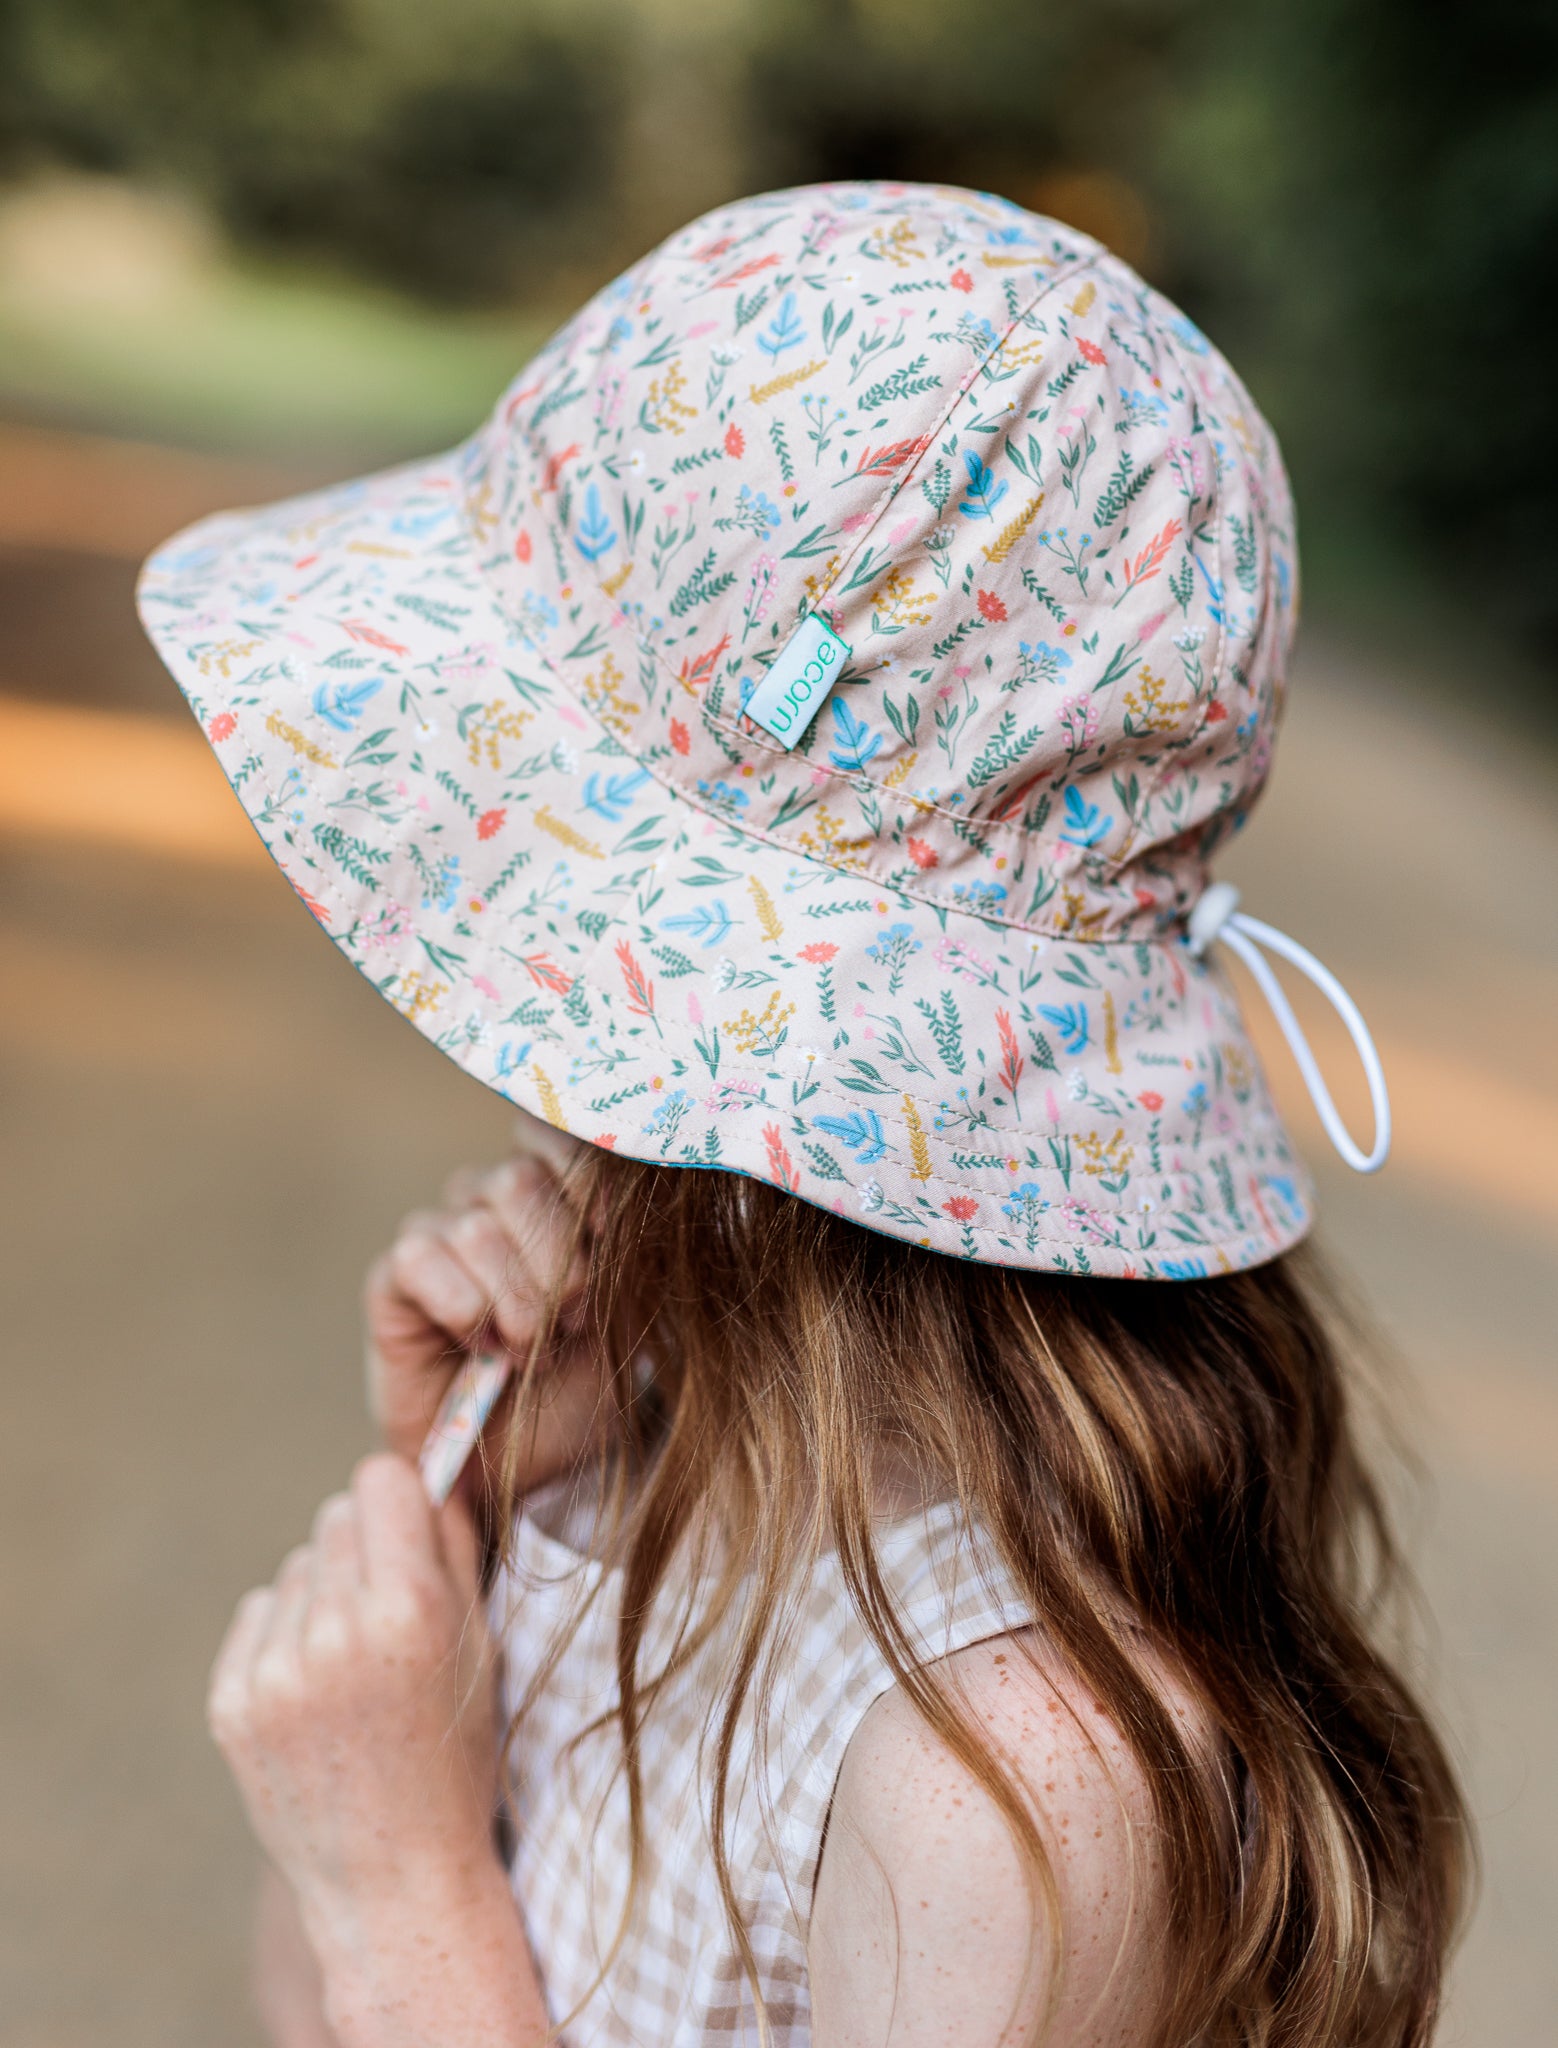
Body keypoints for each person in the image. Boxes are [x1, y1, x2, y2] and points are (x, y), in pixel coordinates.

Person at [138, 182, 1469, 2045]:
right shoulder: (652, 1433)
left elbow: (380, 1967)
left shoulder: (1010, 1779)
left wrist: (401, 1888)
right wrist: (462, 1558)